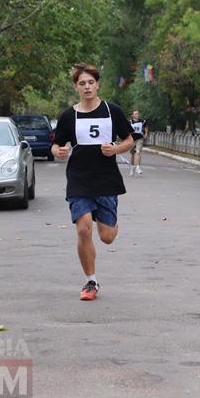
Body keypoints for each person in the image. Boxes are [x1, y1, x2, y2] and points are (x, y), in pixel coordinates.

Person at [51, 63, 134, 301]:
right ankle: (91, 281)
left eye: (90, 82)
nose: (86, 87)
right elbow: (56, 144)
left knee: (106, 237)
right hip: (79, 179)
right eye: (81, 83)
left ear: (97, 85)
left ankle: (106, 219)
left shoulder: (112, 111)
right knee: (84, 228)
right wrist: (58, 151)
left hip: (106, 179)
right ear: (76, 87)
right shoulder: (69, 116)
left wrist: (116, 149)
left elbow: (129, 140)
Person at [129, 110, 148, 176]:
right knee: (132, 155)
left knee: (138, 152)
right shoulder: (130, 122)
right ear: (132, 115)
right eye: (136, 114)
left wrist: (146, 134)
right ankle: (132, 168)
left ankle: (138, 167)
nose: (137, 115)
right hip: (132, 139)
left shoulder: (142, 121)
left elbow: (146, 127)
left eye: (138, 113)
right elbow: (127, 130)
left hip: (139, 138)